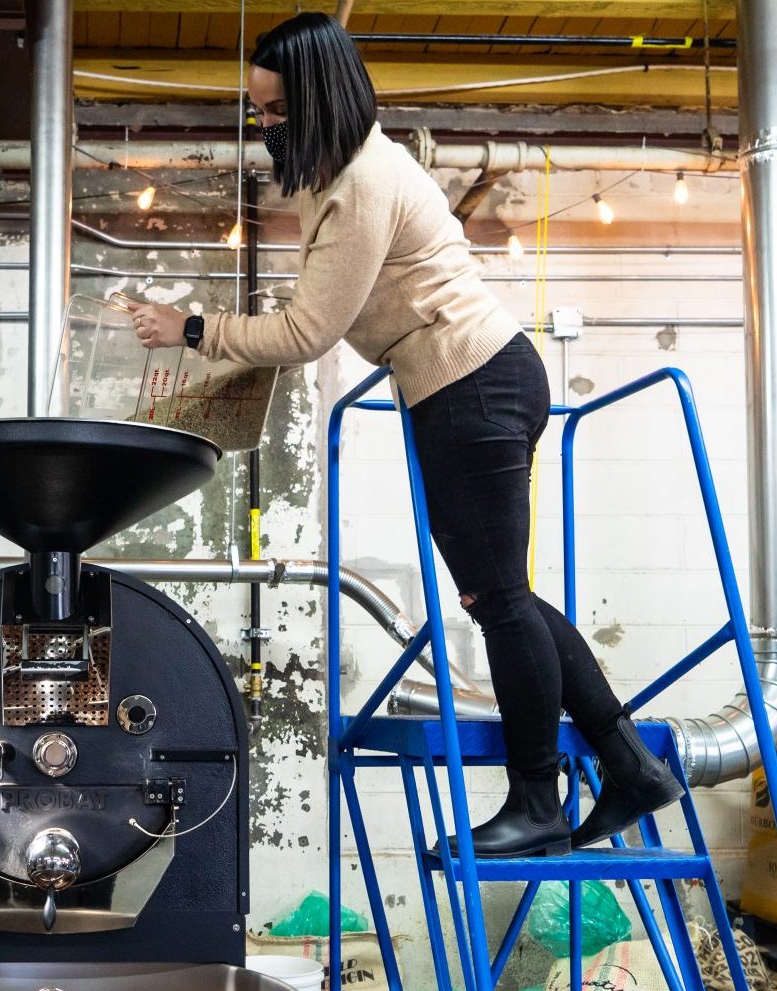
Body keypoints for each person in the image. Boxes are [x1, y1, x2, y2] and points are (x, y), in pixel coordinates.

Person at [128, 12, 684, 858]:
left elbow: (310, 331)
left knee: (497, 600)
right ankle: (631, 766)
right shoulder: (342, 175)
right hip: (461, 385)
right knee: (505, 596)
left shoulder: (363, 184)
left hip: (472, 384)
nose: (265, 127)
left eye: (275, 112)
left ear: (315, 100)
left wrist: (194, 329)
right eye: (258, 113)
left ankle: (538, 801)